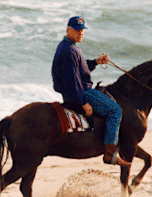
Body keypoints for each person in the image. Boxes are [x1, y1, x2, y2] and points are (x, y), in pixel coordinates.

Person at [51, 16, 131, 167]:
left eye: (82, 30)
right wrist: (83, 102)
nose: (80, 33)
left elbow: (80, 69)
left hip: (79, 88)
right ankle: (110, 153)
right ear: (68, 30)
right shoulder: (69, 50)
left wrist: (96, 62)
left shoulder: (70, 46)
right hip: (81, 91)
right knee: (115, 110)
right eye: (77, 30)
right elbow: (73, 81)